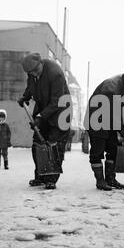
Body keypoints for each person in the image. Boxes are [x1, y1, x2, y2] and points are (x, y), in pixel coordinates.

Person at [84, 65, 124, 191]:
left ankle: (111, 179)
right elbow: (110, 109)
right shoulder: (111, 86)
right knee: (97, 151)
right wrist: (121, 127)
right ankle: (100, 181)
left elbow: (120, 108)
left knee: (113, 148)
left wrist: (122, 126)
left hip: (111, 120)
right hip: (97, 118)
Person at [18, 53, 71, 190]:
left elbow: (56, 101)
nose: (34, 75)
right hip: (43, 108)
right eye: (31, 73)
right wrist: (25, 97)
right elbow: (31, 87)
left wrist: (41, 117)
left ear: (41, 63)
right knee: (37, 143)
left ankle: (51, 179)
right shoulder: (32, 73)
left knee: (54, 145)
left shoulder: (55, 74)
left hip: (60, 111)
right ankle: (41, 176)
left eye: (36, 71)